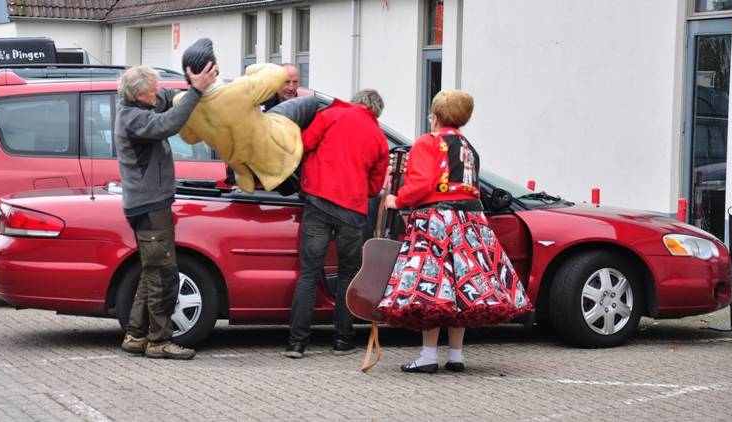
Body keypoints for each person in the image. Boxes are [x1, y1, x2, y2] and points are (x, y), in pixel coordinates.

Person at [377, 90, 532, 373]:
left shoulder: (428, 142)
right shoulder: (468, 147)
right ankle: (456, 355)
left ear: (436, 116)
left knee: (434, 288)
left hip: (436, 222)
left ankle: (427, 356)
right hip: (471, 223)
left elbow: (421, 184)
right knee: (462, 286)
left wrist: (396, 200)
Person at [115, 62, 218, 360]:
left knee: (150, 272)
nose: (157, 94)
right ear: (138, 95)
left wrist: (189, 84)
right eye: (152, 90)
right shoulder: (134, 119)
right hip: (149, 206)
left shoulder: (136, 105)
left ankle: (135, 335)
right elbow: (168, 123)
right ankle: (159, 341)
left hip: (148, 203)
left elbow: (164, 102)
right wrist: (197, 90)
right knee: (163, 273)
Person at [284, 89, 390, 359]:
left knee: (309, 273)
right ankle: (343, 340)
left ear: (356, 100)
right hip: (352, 212)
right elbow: (375, 186)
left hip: (318, 203)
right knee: (347, 274)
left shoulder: (330, 115)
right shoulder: (379, 137)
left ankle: (297, 343)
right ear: (375, 111)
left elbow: (304, 145)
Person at [175, 39, 320, 194]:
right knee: (312, 101)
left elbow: (190, 138)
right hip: (276, 156)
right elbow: (278, 73)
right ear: (214, 69)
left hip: (243, 171)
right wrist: (250, 69)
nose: (291, 86)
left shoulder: (182, 103)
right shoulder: (239, 89)